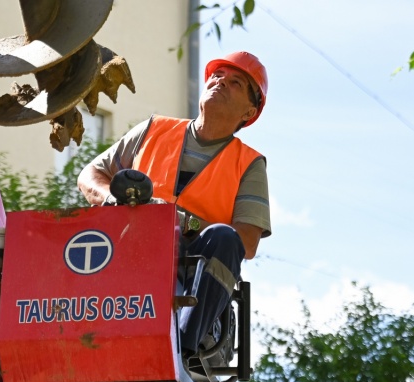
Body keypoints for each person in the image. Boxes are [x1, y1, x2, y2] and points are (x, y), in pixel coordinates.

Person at [77, 51, 272, 357]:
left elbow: (246, 242)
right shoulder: (154, 130)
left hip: (190, 263)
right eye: (217, 75)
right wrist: (113, 198)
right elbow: (91, 174)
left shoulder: (248, 164)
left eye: (235, 82)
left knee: (225, 238)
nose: (220, 82)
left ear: (249, 112)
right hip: (128, 246)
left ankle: (183, 347)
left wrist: (182, 221)